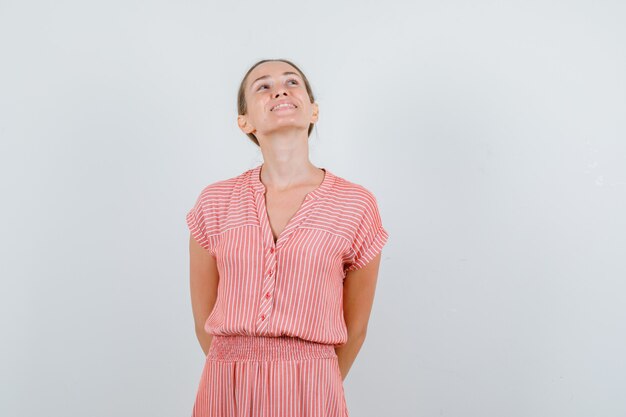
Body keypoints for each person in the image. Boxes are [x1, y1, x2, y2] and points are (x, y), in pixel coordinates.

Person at [186, 58, 389, 417]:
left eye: (292, 82)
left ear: (313, 110)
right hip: (225, 383)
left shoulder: (355, 204)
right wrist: (235, 370)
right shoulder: (215, 201)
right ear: (244, 121)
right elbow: (204, 319)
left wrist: (312, 380)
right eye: (262, 86)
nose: (280, 89)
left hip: (313, 384)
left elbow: (355, 328)